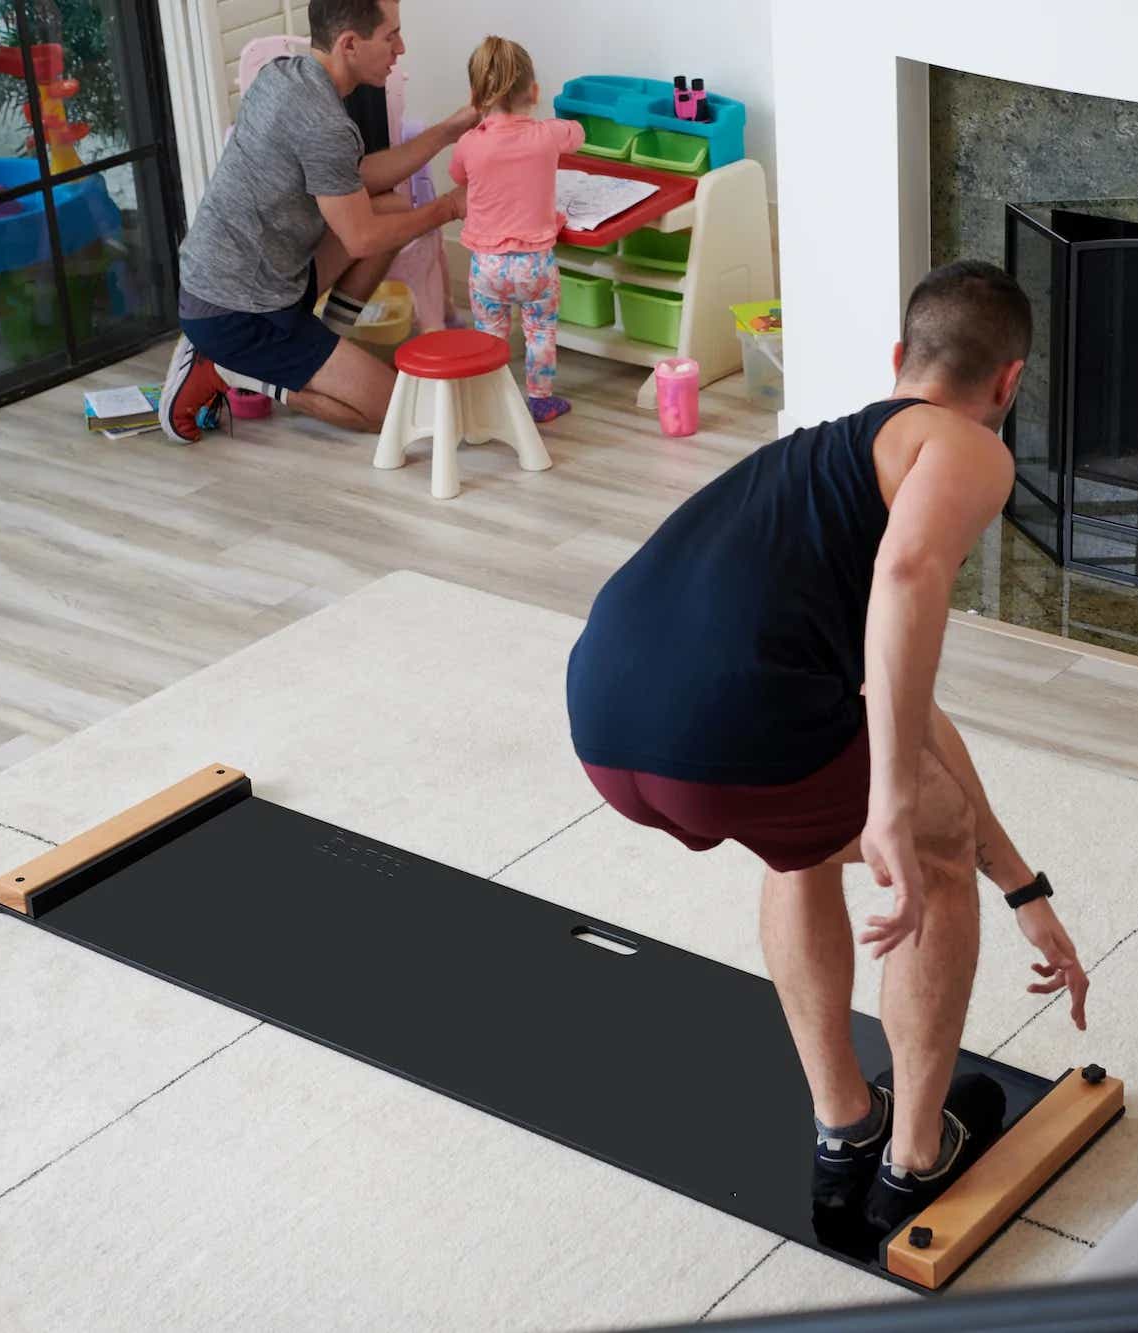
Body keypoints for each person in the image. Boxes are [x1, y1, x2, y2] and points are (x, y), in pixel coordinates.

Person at [564, 260, 1091, 1233]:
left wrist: (1021, 882)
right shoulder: (967, 446)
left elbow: (904, 702)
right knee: (925, 852)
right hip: (735, 728)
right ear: (1009, 384)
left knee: (803, 839)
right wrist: (891, 805)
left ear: (899, 359)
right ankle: (915, 1153)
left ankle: (845, 1124)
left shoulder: (820, 473)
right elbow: (906, 579)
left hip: (605, 722)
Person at [159, 0, 477, 443]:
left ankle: (319, 345)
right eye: (391, 36)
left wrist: (451, 128)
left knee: (391, 209)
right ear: (349, 44)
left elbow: (356, 179)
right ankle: (233, 372)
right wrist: (449, 208)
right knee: (397, 409)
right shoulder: (324, 125)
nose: (400, 48)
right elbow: (361, 238)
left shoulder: (285, 76)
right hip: (237, 313)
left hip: (253, 281)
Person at [447, 36, 583, 424]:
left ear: (476, 97)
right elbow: (577, 133)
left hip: (487, 267)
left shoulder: (469, 144)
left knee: (490, 334)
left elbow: (459, 175)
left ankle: (493, 397)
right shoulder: (547, 135)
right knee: (540, 332)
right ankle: (540, 399)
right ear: (535, 91)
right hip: (536, 265)